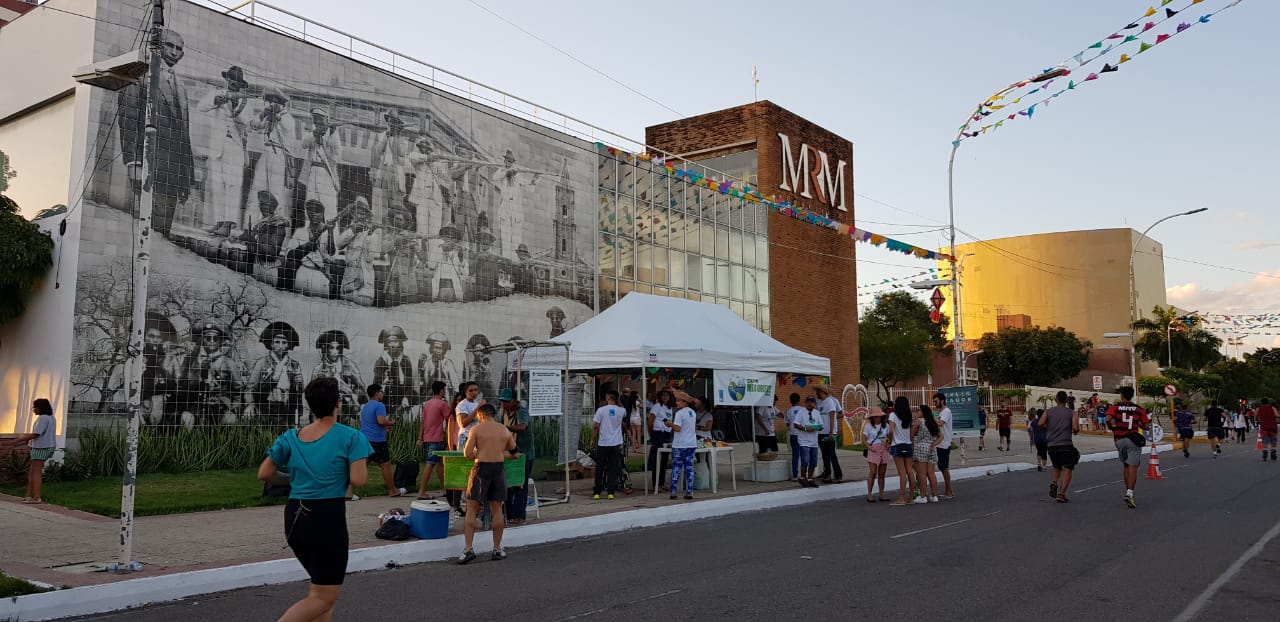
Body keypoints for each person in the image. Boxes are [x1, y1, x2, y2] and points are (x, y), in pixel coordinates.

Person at [258, 377, 372, 620]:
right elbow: (359, 480)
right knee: (323, 597)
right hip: (326, 518)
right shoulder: (351, 437)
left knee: (321, 592)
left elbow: (265, 473)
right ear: (338, 404)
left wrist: (296, 479)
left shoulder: (290, 436)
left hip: (295, 517)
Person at [117, 29, 192, 238]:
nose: (175, 52)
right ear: (158, 46)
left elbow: (185, 137)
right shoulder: (140, 77)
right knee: (144, 232)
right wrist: (132, 163)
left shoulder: (182, 88)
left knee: (163, 233)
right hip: (148, 166)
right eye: (170, 46)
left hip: (172, 175)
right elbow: (129, 120)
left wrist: (185, 178)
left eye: (179, 48)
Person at [457, 404, 516, 564]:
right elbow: (514, 452)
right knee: (497, 509)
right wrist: (497, 452)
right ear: (493, 414)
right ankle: (497, 549)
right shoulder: (505, 430)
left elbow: (467, 453)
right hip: (498, 469)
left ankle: (468, 549)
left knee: (472, 507)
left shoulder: (476, 429)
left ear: (481, 415)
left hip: (481, 469)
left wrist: (479, 452)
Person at [198, 65, 250, 238]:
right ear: (227, 79)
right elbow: (201, 106)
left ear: (240, 84)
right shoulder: (217, 93)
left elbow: (247, 123)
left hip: (234, 147)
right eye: (231, 79)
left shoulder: (244, 100)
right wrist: (218, 101)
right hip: (217, 146)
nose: (233, 83)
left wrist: (236, 109)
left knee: (232, 186)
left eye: (236, 81)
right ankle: (219, 223)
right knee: (217, 186)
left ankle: (228, 225)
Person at [355, 384, 403, 500]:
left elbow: (372, 423)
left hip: (365, 440)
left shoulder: (366, 406)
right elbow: (381, 421)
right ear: (376, 393)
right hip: (377, 441)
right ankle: (392, 490)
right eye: (381, 392)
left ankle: (348, 492)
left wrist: (384, 428)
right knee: (385, 465)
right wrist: (391, 422)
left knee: (360, 466)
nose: (383, 394)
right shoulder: (379, 405)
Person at [3, 399, 57, 504]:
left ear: (39, 408)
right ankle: (28, 495)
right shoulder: (51, 418)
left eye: (34, 407)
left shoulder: (43, 418)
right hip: (46, 446)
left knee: (36, 473)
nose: (33, 410)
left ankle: (36, 497)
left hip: (41, 448)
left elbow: (36, 434)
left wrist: (16, 441)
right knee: (32, 472)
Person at [1105, 386, 1150, 509]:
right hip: (1133, 439)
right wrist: (1139, 423)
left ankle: (1127, 490)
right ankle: (1130, 492)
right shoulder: (1138, 409)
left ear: (1121, 395)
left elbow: (1108, 418)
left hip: (1119, 440)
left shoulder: (1114, 407)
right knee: (1133, 466)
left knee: (1125, 465)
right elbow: (1147, 426)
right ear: (1132, 395)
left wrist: (1112, 427)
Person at [500, 387, 534, 524]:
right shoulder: (505, 413)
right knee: (508, 485)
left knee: (520, 485)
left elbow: (522, 427)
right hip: (510, 454)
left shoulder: (522, 411)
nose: (504, 404)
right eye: (502, 401)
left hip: (524, 454)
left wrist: (506, 429)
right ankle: (508, 514)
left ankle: (519, 516)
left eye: (507, 402)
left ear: (515, 401)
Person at [1040, 391, 1080, 503]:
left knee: (1057, 466)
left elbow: (1040, 423)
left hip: (1052, 445)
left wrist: (1050, 427)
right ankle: (1061, 494)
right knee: (1067, 468)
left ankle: (1054, 482)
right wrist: (1073, 431)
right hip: (1066, 444)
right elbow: (1076, 428)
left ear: (1056, 400)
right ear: (1066, 400)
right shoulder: (1072, 412)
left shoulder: (1048, 411)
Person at [416, 381, 450, 499]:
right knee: (430, 464)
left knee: (440, 463)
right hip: (437, 438)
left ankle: (444, 488)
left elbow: (423, 422)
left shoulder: (427, 404)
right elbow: (449, 420)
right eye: (444, 390)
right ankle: (421, 491)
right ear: (441, 391)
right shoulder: (442, 404)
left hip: (427, 437)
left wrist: (420, 438)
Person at [591, 390, 626, 500]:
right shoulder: (622, 410)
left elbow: (596, 426)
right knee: (613, 468)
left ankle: (597, 491)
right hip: (616, 442)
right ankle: (611, 492)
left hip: (603, 442)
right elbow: (622, 418)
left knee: (600, 467)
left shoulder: (601, 410)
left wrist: (592, 439)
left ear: (607, 397)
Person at [669, 391, 699, 500]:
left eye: (678, 401)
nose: (677, 403)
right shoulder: (693, 413)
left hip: (679, 444)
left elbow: (677, 428)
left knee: (676, 467)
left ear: (685, 402)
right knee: (689, 468)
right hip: (691, 443)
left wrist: (669, 424)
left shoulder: (679, 413)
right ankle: (689, 491)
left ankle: (673, 491)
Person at [887, 397, 916, 506]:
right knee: (910, 471)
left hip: (897, 445)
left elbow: (890, 430)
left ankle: (901, 498)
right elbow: (911, 432)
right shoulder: (909, 416)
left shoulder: (893, 416)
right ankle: (911, 498)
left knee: (902, 473)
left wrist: (889, 440)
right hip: (908, 445)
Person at [813, 384, 844, 483]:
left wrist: (831, 431)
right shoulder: (821, 403)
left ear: (822, 392)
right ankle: (827, 473)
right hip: (821, 432)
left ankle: (838, 474)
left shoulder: (830, 402)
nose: (816, 393)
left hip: (829, 433)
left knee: (831, 454)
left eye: (818, 391)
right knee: (825, 455)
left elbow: (832, 417)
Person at [912, 404, 941, 504]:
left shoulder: (919, 422)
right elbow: (941, 436)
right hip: (932, 449)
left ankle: (922, 496)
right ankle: (934, 495)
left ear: (923, 412)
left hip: (920, 449)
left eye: (918, 410)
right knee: (931, 474)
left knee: (922, 474)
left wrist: (913, 445)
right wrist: (934, 444)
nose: (917, 412)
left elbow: (912, 434)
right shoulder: (933, 422)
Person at [792, 396, 822, 488]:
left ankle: (810, 478)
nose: (810, 404)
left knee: (813, 461)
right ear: (805, 403)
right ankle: (803, 478)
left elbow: (821, 425)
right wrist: (805, 428)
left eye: (812, 402)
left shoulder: (817, 413)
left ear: (814, 404)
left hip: (814, 441)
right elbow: (795, 424)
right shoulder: (801, 412)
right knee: (805, 460)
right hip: (804, 440)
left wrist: (816, 427)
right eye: (808, 402)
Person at [648, 388, 675, 490]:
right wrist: (652, 435)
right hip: (658, 433)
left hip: (667, 435)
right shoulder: (656, 406)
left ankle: (662, 483)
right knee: (657, 459)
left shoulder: (669, 408)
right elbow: (650, 422)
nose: (665, 397)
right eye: (663, 395)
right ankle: (656, 483)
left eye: (667, 395)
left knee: (664, 459)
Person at [862, 408, 890, 503]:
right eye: (875, 416)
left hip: (883, 449)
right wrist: (869, 447)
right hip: (873, 449)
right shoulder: (868, 426)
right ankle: (869, 494)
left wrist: (887, 442)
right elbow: (864, 439)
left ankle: (881, 494)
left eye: (878, 416)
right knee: (872, 472)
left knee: (882, 474)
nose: (876, 418)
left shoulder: (886, 426)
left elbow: (890, 437)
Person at [932, 392, 956, 499]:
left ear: (942, 401)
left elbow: (940, 423)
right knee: (942, 467)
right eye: (934, 402)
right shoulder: (939, 412)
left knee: (944, 467)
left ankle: (949, 491)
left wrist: (930, 417)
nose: (935, 404)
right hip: (939, 443)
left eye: (936, 401)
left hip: (944, 443)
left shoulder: (946, 411)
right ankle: (948, 490)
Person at [784, 393, 806, 480]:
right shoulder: (803, 410)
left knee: (795, 455)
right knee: (804, 455)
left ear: (790, 401)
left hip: (793, 435)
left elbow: (787, 423)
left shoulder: (788, 411)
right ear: (799, 400)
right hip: (803, 435)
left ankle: (795, 475)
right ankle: (804, 474)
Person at [455, 381, 481, 449]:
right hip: (465, 436)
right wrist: (478, 408)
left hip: (476, 437)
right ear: (466, 392)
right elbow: (463, 423)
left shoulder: (477, 403)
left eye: (476, 390)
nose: (474, 392)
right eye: (471, 390)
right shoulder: (462, 404)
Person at [1258, 398, 1278, 462]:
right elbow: (1276, 415)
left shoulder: (1258, 409)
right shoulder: (1272, 408)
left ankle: (1265, 455)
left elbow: (1255, 416)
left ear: (1261, 402)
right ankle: (1273, 454)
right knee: (1273, 441)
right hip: (1273, 427)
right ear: (1268, 402)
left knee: (1264, 441)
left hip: (1263, 427)